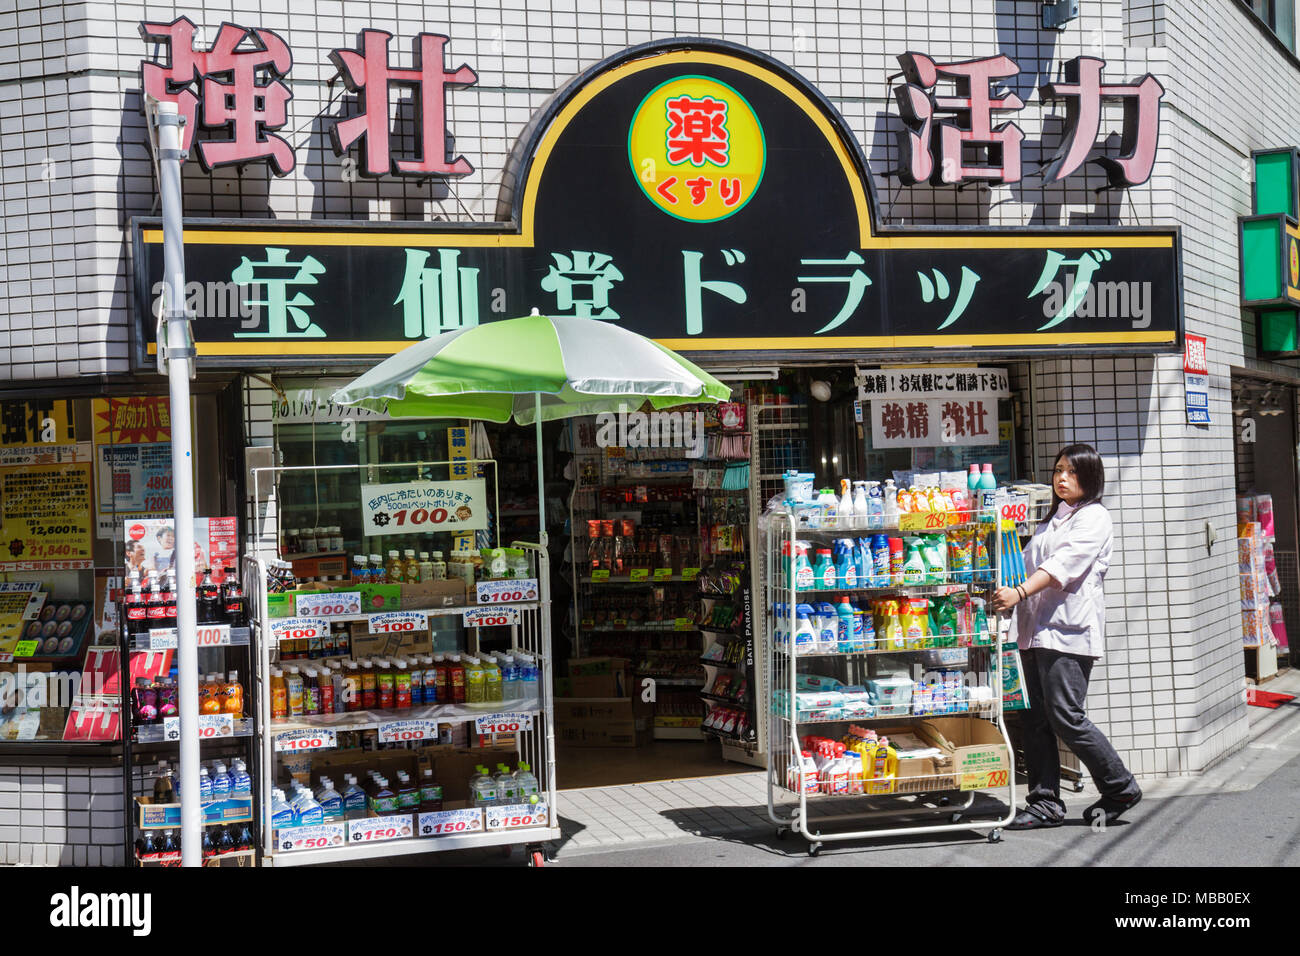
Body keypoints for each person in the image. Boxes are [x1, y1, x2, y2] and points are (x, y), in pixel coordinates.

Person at [991, 443, 1141, 829]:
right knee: (1035, 718)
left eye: (1072, 472)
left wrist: (1020, 593)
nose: (1061, 478)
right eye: (1058, 470)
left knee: (1065, 715)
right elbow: (1026, 566)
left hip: (1068, 635)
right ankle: (1045, 803)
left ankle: (1120, 785)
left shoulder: (1094, 518)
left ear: (1090, 478)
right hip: (1034, 632)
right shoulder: (1049, 520)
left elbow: (1063, 566)